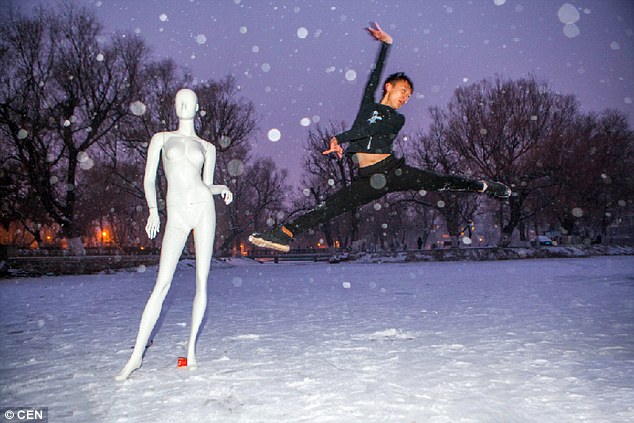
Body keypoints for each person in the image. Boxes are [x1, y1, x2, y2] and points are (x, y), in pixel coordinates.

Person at [249, 22, 510, 253]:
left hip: (392, 171)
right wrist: (387, 44)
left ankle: (484, 186)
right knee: (330, 207)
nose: (405, 98)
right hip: (368, 180)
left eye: (408, 96)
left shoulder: (396, 119)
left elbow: (369, 132)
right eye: (403, 91)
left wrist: (341, 138)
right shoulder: (368, 105)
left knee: (440, 181)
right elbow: (374, 76)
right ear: (389, 86)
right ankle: (283, 234)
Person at [115, 88, 233, 381]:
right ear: (175, 106)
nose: (184, 104)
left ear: (196, 108)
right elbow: (149, 177)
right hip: (177, 213)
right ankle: (136, 356)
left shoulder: (207, 147)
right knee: (162, 283)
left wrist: (223, 189)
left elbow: (206, 183)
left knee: (201, 281)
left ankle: (191, 348)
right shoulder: (162, 139)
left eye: (190, 101)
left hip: (204, 208)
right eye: (180, 100)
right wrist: (153, 210)